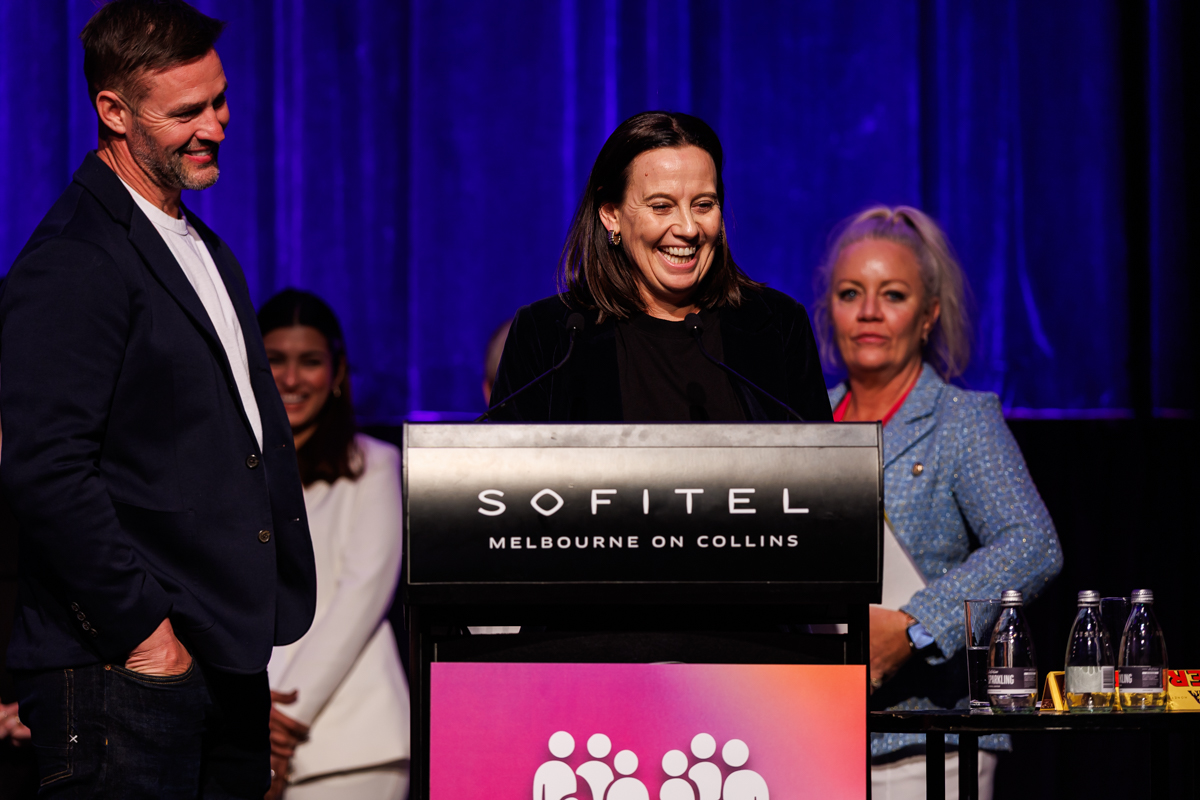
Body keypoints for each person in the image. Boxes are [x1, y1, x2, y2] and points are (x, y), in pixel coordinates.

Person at [0, 2, 316, 797]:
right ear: (113, 112)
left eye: (220, 100)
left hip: (217, 652)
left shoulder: (198, 244)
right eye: (185, 112)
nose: (215, 125)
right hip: (125, 671)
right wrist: (146, 636)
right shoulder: (75, 258)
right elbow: (44, 469)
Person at [815, 205, 1062, 799]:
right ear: (829, 311)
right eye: (850, 293)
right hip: (812, 734)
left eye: (893, 295)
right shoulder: (804, 422)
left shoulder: (962, 422)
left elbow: (1034, 544)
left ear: (928, 315)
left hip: (931, 743)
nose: (869, 312)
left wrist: (914, 627)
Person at [488, 111, 831, 423]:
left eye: (703, 204)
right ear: (611, 214)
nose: (689, 228)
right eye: (662, 206)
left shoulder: (779, 325)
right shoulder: (547, 336)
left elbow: (822, 467)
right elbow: (508, 469)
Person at [259, 290, 409, 800]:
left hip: (351, 744)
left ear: (338, 372)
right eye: (275, 360)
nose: (292, 379)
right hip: (241, 736)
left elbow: (360, 597)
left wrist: (281, 723)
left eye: (310, 361)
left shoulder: (375, 465)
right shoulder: (225, 473)